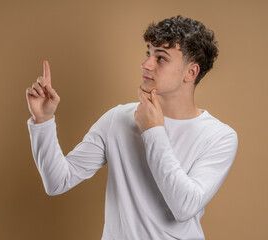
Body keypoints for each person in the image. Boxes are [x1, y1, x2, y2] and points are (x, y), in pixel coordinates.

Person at [25, 15, 238, 240]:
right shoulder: (118, 119)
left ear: (191, 73)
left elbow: (184, 206)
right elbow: (57, 182)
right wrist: (44, 120)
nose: (146, 64)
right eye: (148, 53)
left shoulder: (219, 137)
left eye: (161, 58)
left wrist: (153, 131)